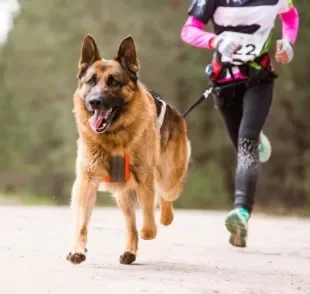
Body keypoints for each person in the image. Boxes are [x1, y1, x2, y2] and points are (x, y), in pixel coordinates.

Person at [181, 0, 299, 247]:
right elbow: (188, 30)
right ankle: (256, 140)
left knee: (246, 141)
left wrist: (289, 42)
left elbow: (291, 16)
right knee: (242, 146)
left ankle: (241, 213)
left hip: (259, 78)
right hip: (223, 82)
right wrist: (216, 41)